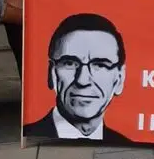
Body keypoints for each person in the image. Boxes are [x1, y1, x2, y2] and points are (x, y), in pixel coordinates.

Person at [23, 13, 129, 142]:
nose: (82, 80)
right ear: (51, 72)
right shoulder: (31, 134)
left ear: (120, 78)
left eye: (100, 65)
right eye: (69, 63)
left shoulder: (123, 142)